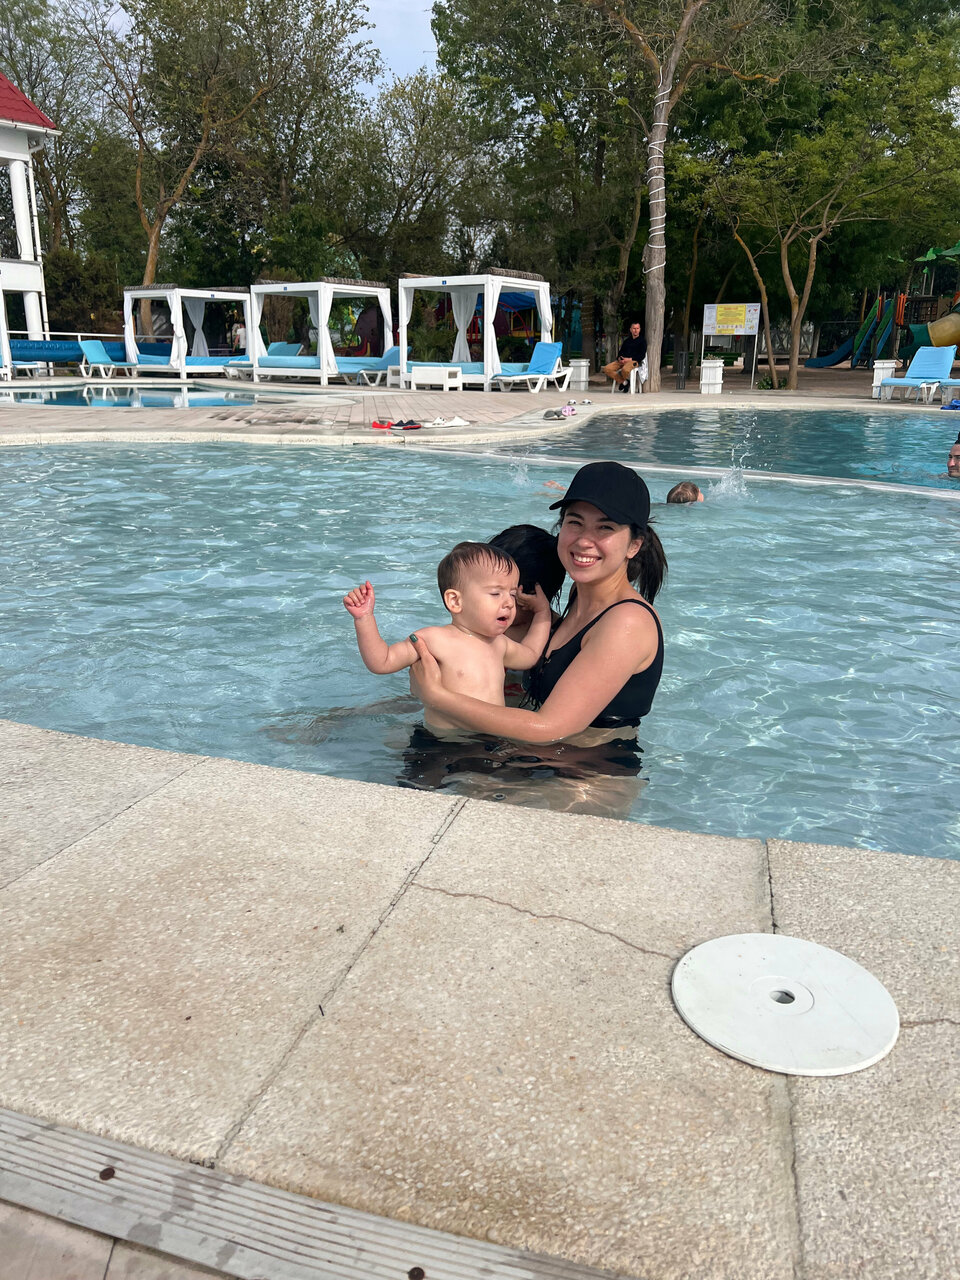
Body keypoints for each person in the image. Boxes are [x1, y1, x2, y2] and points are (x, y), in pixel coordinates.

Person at [409, 461, 665, 746]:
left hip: (588, 769)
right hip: (537, 757)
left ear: (634, 544)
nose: (584, 541)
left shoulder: (626, 622)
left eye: (605, 528)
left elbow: (549, 728)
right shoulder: (579, 601)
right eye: (575, 522)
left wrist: (436, 696)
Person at [342, 542, 550, 733]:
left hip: (490, 738)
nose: (509, 603)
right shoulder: (433, 639)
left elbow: (530, 655)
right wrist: (364, 619)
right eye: (496, 593)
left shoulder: (500, 644)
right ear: (455, 601)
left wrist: (542, 613)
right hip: (441, 742)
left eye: (512, 594)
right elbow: (382, 662)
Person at [603, 321, 648, 393]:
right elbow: (621, 352)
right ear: (631, 329)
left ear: (640, 329)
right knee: (607, 369)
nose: (635, 330)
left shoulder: (642, 341)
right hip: (622, 361)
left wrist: (629, 359)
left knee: (625, 370)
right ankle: (624, 382)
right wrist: (619, 358)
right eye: (634, 328)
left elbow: (641, 355)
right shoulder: (627, 341)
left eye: (637, 328)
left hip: (633, 361)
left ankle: (625, 383)